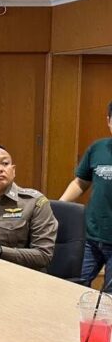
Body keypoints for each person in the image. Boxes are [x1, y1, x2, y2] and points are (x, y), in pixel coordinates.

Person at [60, 101, 112, 286]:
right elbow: (80, 182)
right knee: (72, 286)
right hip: (90, 236)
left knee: (109, 297)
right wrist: (59, 206)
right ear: (109, 121)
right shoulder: (98, 148)